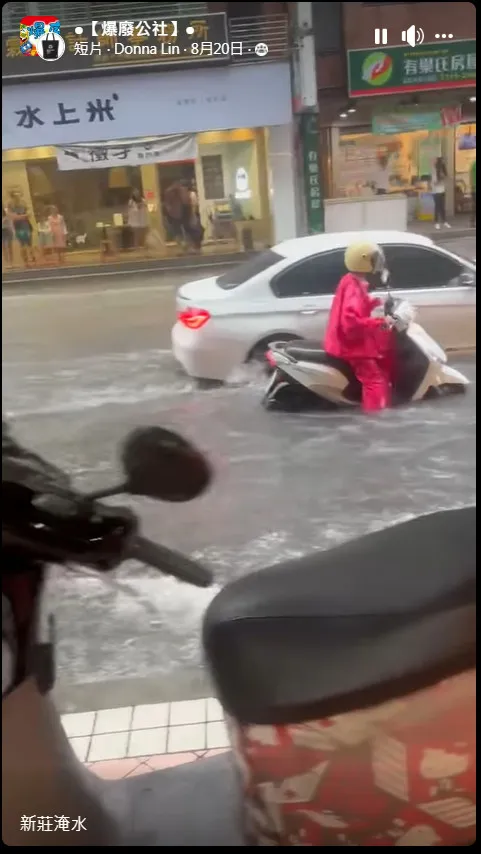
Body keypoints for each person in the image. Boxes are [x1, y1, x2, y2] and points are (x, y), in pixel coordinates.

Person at [324, 242, 395, 413]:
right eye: (373, 259)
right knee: (374, 380)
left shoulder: (350, 280)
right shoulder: (354, 288)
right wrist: (380, 322)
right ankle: (375, 418)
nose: (376, 263)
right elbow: (351, 322)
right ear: (364, 261)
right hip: (351, 345)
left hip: (343, 340)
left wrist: (374, 302)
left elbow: (354, 308)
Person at [7, 192, 35, 267]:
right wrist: (23, 216)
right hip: (19, 227)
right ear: (13, 198)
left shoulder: (23, 203)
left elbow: (29, 213)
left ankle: (32, 258)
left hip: (26, 225)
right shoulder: (10, 206)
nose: (18, 198)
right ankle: (26, 261)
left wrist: (22, 216)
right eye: (16, 196)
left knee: (29, 243)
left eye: (19, 196)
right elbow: (13, 217)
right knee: (22, 244)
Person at [431, 157, 451, 230]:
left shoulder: (443, 170)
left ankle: (444, 221)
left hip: (442, 190)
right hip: (436, 191)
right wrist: (441, 179)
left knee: (442, 207)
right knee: (437, 207)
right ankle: (436, 222)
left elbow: (447, 179)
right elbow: (435, 183)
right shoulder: (434, 170)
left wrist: (444, 178)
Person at [469, 158, 476, 227]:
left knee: (474, 206)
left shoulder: (473, 164)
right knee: (474, 206)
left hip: (473, 189)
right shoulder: (474, 165)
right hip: (474, 189)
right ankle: (472, 222)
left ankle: (472, 222)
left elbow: (471, 176)